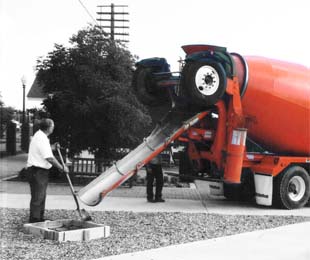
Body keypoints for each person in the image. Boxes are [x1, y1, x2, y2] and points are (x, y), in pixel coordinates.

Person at [27, 118, 69, 223]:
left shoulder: (41, 136)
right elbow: (49, 158)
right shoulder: (41, 138)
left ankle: (39, 218)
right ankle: (34, 220)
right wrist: (62, 167)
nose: (53, 128)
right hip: (37, 171)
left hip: (39, 171)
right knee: (38, 196)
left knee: (41, 195)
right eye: (53, 126)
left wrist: (53, 147)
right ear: (49, 127)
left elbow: (44, 149)